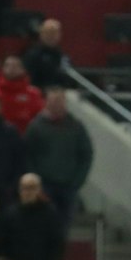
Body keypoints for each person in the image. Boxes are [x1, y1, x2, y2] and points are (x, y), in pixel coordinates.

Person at [25, 88, 92, 232]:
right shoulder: (36, 127)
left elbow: (86, 155)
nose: (56, 104)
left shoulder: (76, 126)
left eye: (60, 100)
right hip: (45, 185)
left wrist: (77, 180)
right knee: (43, 227)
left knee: (64, 228)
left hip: (69, 186)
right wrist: (36, 181)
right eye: (53, 100)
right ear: (46, 102)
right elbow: (28, 155)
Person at [23, 19, 70, 89]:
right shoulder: (32, 55)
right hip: (40, 93)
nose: (51, 36)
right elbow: (30, 80)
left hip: (62, 92)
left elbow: (69, 78)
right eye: (48, 33)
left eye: (54, 33)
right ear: (41, 34)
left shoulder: (63, 56)